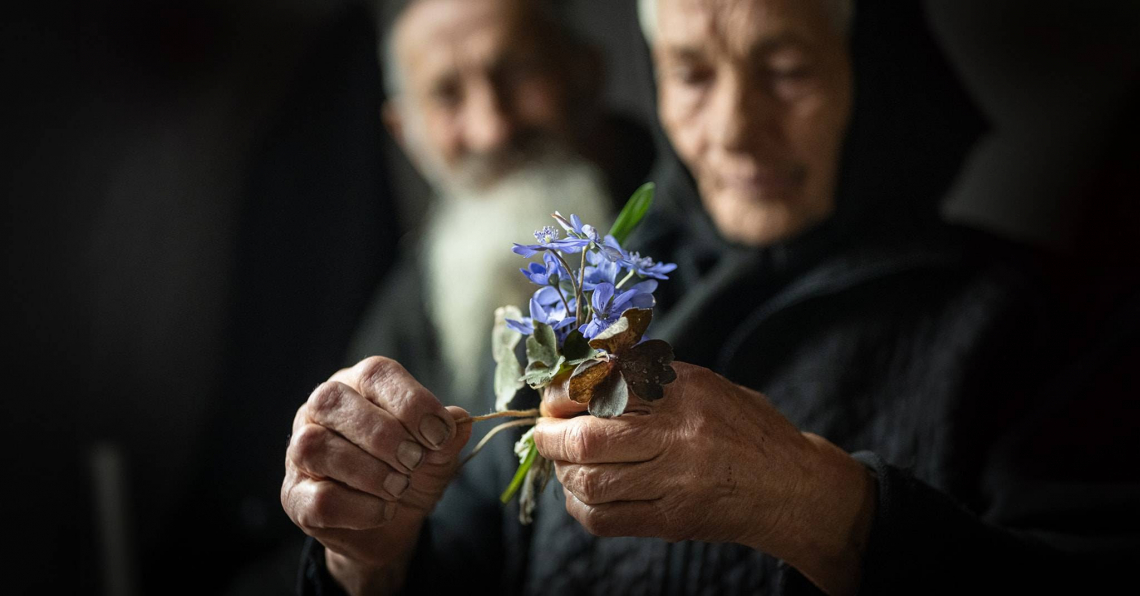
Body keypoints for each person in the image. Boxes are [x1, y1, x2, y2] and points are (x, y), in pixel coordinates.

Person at [282, 0, 1136, 594]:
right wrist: (370, 555)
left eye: (788, 70)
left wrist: (816, 504)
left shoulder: (1033, 321)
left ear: (871, 76)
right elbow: (466, 558)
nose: (731, 129)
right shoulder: (590, 299)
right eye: (691, 74)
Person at [350, 0, 653, 411]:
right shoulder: (405, 318)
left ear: (585, 72)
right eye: (447, 95)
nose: (491, 129)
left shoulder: (696, 220)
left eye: (518, 72)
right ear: (406, 135)